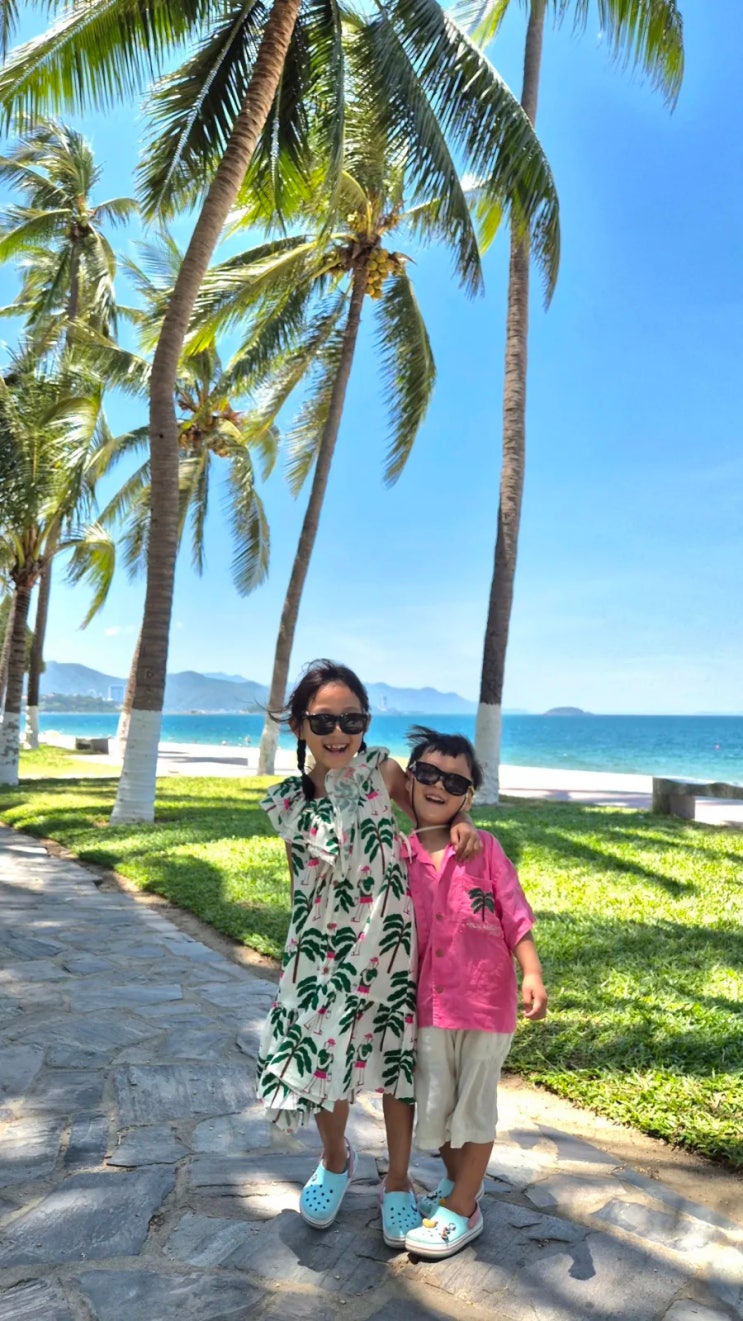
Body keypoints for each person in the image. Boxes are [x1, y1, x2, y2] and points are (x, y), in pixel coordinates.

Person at [256, 661, 480, 1249]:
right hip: (320, 955)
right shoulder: (288, 803)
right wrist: (300, 953)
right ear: (300, 727)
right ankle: (335, 1159)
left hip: (390, 945)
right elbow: (299, 881)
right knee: (321, 1061)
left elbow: (430, 808)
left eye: (351, 719)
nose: (339, 733)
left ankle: (397, 1181)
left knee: (395, 1065)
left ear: (366, 723)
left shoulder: (380, 770)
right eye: (323, 721)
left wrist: (463, 822)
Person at [401, 725, 548, 1260]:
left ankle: (463, 1207)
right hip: (430, 1006)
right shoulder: (399, 854)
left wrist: (531, 972)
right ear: (410, 779)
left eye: (455, 782)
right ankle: (461, 1184)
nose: (438, 786)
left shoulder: (484, 849)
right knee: (436, 1104)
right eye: (428, 774)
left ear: (469, 796)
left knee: (475, 1107)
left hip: (486, 1006)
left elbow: (515, 913)